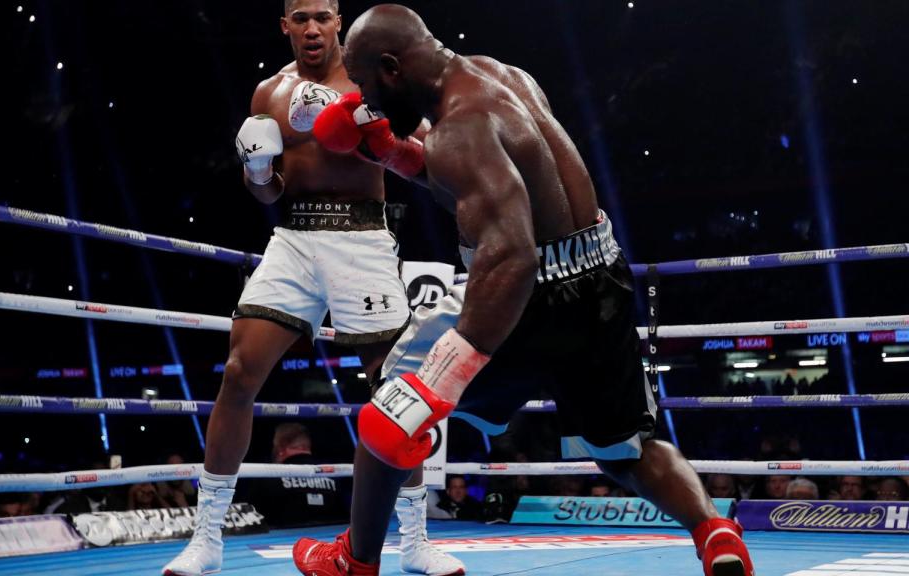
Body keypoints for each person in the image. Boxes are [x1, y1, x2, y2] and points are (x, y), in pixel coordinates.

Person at [291, 5, 754, 576]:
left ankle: (354, 562)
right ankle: (714, 532)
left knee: (391, 409)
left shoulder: (458, 130)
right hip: (599, 277)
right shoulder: (501, 76)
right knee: (624, 448)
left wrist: (443, 378)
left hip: (522, 289)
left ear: (391, 67)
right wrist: (393, 154)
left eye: (364, 84)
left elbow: (510, 252)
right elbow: (483, 186)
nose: (366, 101)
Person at [162, 1, 463, 574]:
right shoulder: (267, 94)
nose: (312, 28)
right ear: (285, 25)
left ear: (338, 21)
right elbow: (270, 193)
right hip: (294, 237)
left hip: (363, 237)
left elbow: (424, 148)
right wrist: (256, 172)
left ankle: (416, 540)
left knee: (394, 390)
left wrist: (374, 126)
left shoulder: (371, 75)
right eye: (300, 17)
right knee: (237, 373)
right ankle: (208, 538)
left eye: (322, 16)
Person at [246, 423, 347, 527]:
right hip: (332, 537)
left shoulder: (267, 476)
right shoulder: (333, 474)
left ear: (280, 449)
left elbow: (250, 519)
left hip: (281, 539)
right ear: (308, 446)